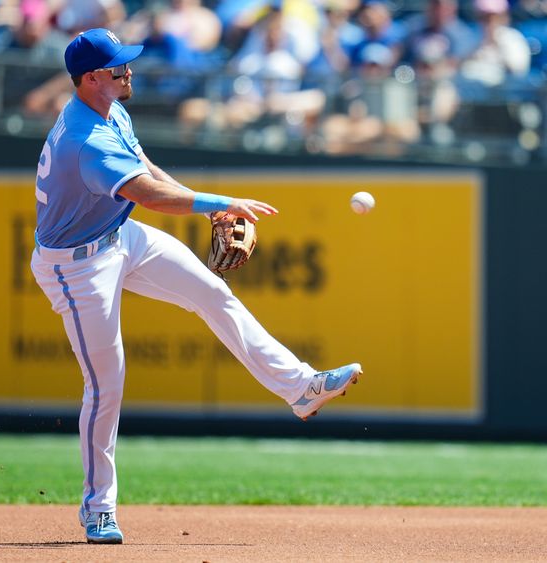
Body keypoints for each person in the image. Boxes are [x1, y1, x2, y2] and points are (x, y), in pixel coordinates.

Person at [30, 28, 362, 545]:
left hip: (117, 237)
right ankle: (98, 508)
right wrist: (217, 203)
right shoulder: (84, 139)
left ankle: (300, 387)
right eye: (118, 66)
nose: (128, 71)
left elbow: (149, 172)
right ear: (91, 77)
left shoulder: (111, 109)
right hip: (75, 267)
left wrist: (203, 202)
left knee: (212, 292)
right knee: (107, 381)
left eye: (127, 63)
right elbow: (148, 195)